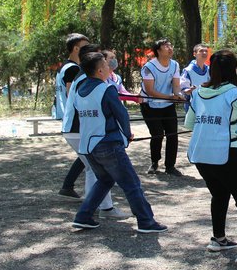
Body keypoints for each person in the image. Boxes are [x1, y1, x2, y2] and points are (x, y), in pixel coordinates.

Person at [71, 52, 167, 233]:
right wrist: (127, 133)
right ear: (100, 70)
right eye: (106, 65)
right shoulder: (106, 89)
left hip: (88, 146)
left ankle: (83, 217)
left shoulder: (79, 90)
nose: (110, 67)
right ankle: (146, 221)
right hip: (107, 144)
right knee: (131, 183)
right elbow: (121, 114)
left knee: (105, 180)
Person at [185, 50, 237, 267]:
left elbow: (189, 125)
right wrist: (236, 135)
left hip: (201, 155)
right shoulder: (236, 95)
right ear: (233, 69)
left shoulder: (198, 92)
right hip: (227, 154)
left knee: (219, 195)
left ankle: (218, 239)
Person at [61, 45, 131, 220]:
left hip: (76, 130)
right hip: (79, 130)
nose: (108, 63)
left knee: (95, 171)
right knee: (97, 172)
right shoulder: (88, 80)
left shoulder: (86, 77)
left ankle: (93, 210)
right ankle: (98, 210)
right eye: (104, 59)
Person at [140, 39, 183, 175]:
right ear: (158, 51)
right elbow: (150, 91)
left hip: (167, 105)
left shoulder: (175, 65)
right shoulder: (148, 67)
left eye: (171, 45)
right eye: (166, 46)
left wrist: (178, 95)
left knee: (172, 135)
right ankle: (154, 162)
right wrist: (170, 97)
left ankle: (170, 166)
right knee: (157, 134)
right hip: (150, 105)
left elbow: (176, 85)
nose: (170, 48)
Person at [55, 33, 89, 200]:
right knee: (89, 155)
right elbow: (72, 94)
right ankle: (69, 186)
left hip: (71, 118)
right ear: (76, 48)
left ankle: (68, 186)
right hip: (75, 120)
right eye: (85, 47)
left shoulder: (65, 67)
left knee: (86, 155)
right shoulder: (73, 69)